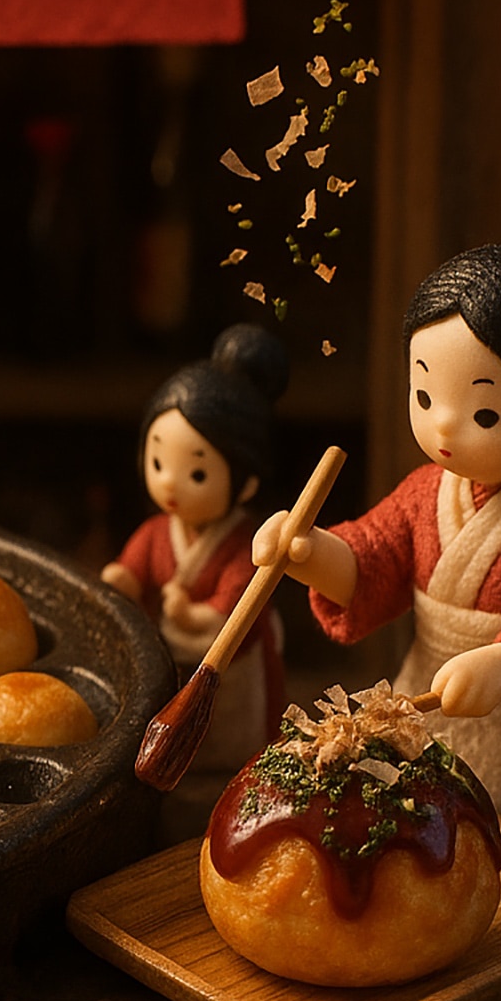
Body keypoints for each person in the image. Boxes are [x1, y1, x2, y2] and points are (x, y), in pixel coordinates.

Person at [255, 205, 501, 864]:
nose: (443, 429)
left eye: (484, 410)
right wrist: (311, 553)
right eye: (425, 395)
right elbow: (375, 554)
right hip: (437, 698)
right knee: (437, 841)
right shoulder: (425, 492)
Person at [102, 325, 289, 770]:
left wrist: (189, 614)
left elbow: (234, 610)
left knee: (233, 757)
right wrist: (121, 581)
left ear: (246, 483)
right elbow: (133, 571)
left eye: (198, 474)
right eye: (158, 461)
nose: (169, 481)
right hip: (170, 672)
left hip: (230, 674)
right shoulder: (154, 532)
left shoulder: (247, 544)